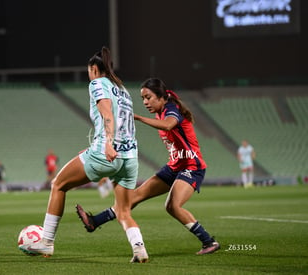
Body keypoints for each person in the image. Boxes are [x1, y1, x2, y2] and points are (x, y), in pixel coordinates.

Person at [19, 46, 149, 263]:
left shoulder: (97, 83)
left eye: (89, 70)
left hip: (107, 153)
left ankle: (47, 242)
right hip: (130, 158)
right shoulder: (123, 90)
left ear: (94, 69)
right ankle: (139, 248)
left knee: (58, 184)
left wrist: (106, 144)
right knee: (123, 210)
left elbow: (107, 114)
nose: (89, 74)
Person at [76, 78, 220, 255]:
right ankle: (94, 221)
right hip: (174, 166)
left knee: (173, 206)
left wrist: (137, 117)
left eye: (148, 97)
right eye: (143, 98)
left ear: (161, 97)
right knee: (132, 198)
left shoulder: (171, 109)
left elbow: (169, 125)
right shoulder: (160, 112)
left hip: (192, 166)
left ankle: (209, 242)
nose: (145, 102)